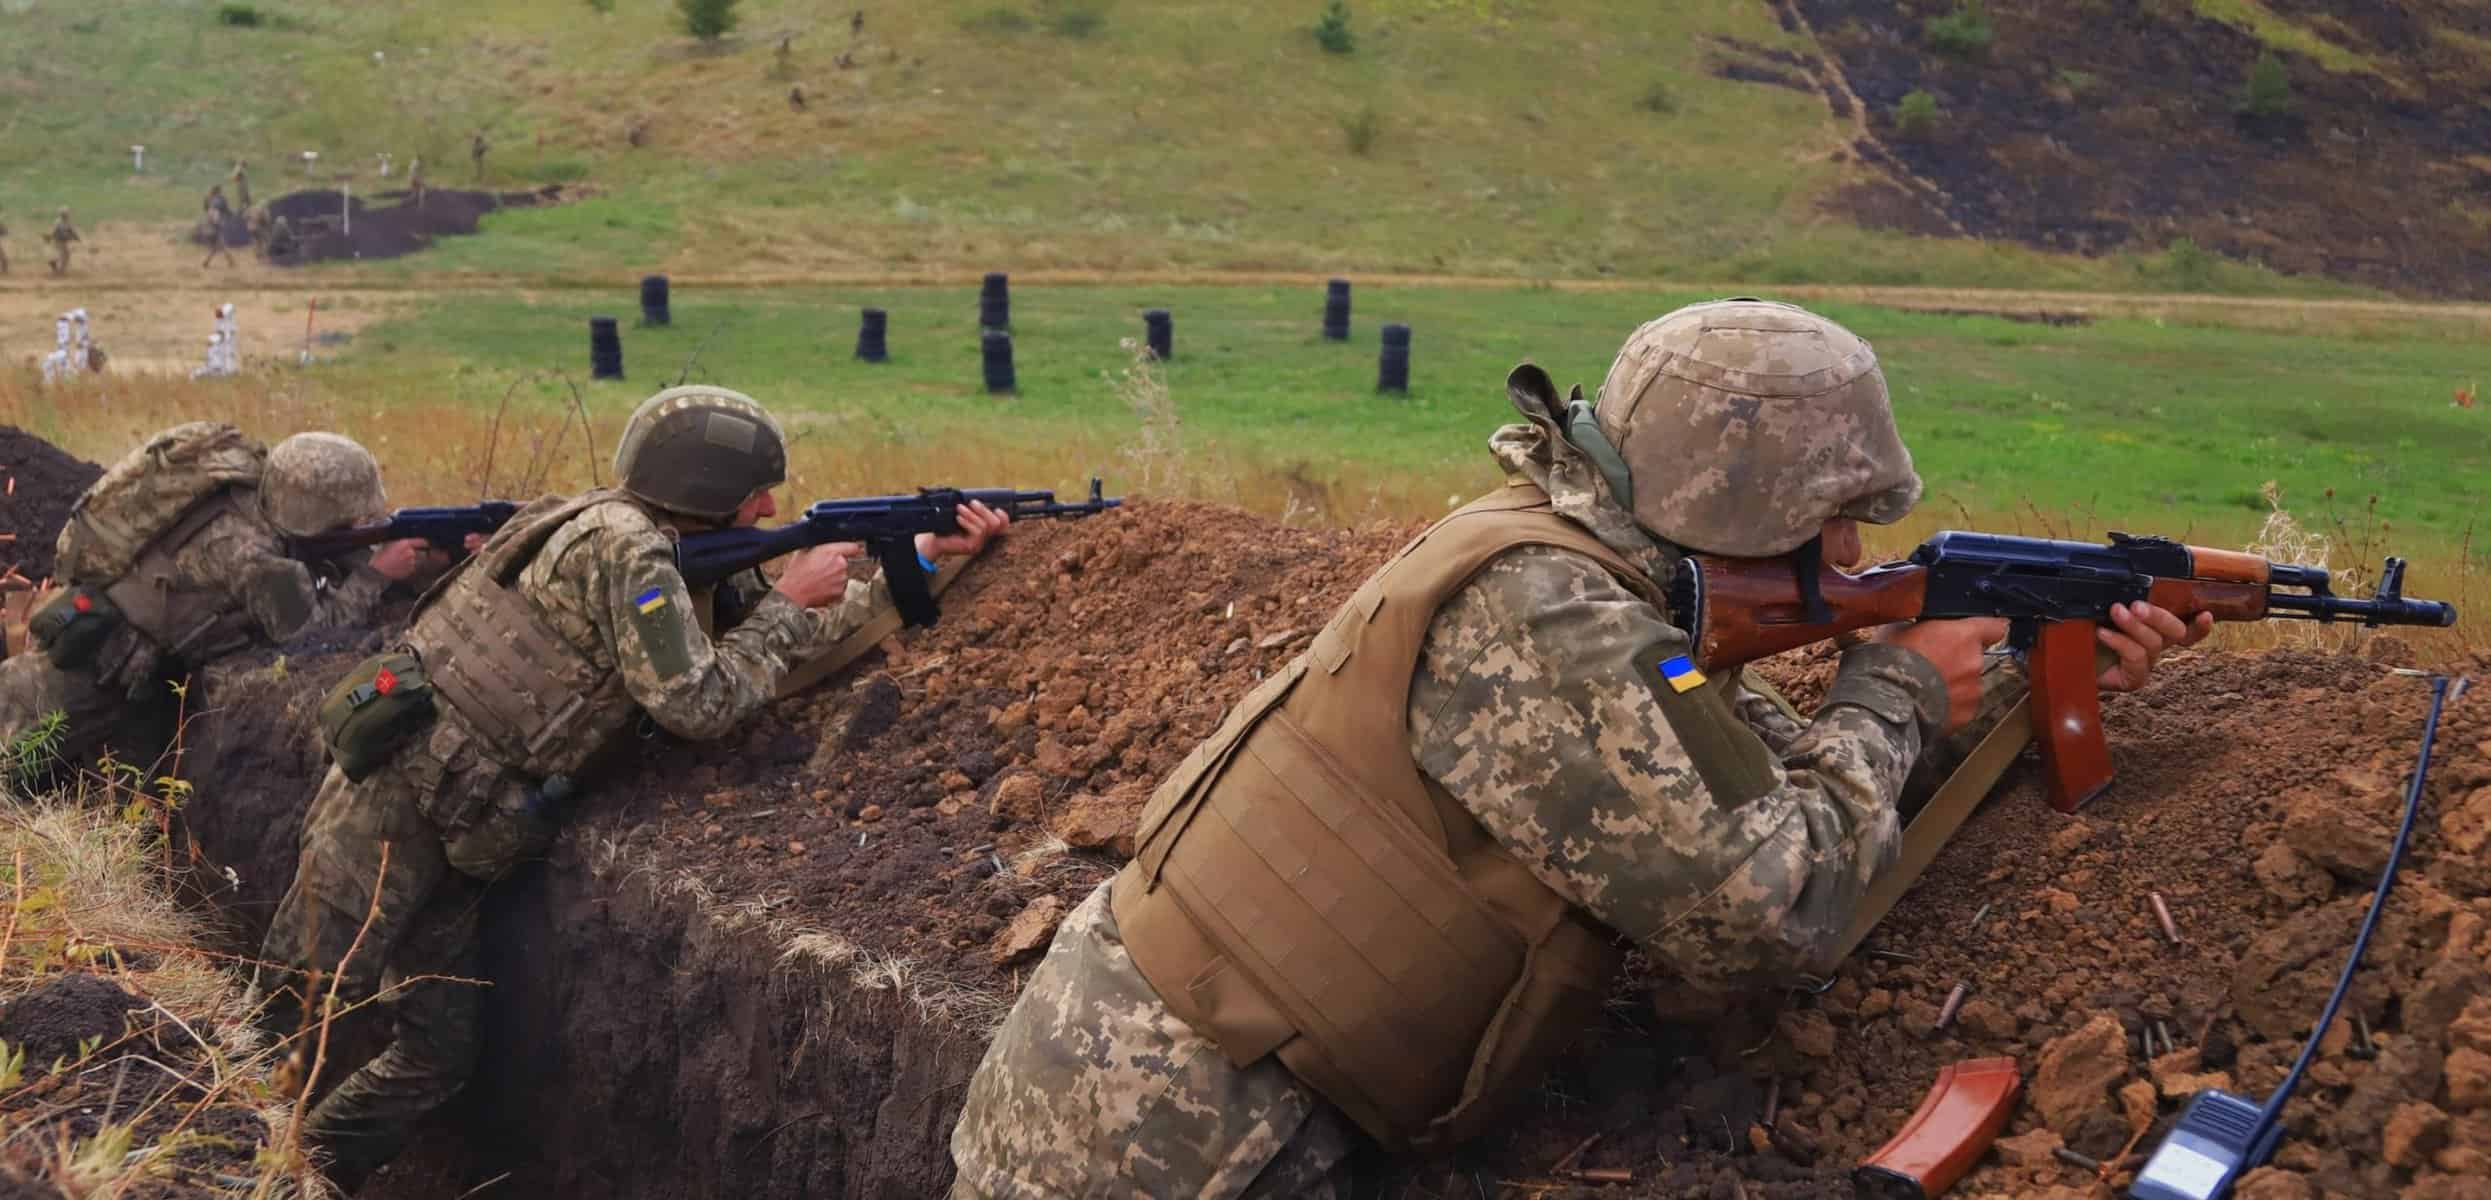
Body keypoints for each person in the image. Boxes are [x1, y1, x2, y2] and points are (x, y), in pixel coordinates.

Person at [946, 299, 2211, 1198]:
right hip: (1159, 1141)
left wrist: (2002, 691)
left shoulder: (1573, 563)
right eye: (1829, 522)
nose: (1842, 560)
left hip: (1182, 1094)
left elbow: (1750, 775)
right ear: (1741, 502)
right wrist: (1887, 689)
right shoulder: (1556, 620)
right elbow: (1772, 913)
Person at [253, 385, 1013, 1191]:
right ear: (707, 492)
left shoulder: (654, 537)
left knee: (436, 1058)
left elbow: (798, 639)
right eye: (756, 489)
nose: (769, 503)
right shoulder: (626, 549)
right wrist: (786, 599)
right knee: (294, 1007)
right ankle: (216, 1159)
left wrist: (921, 555)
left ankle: (299, 1175)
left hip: (463, 821)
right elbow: (697, 702)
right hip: (392, 802)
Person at [0, 426, 438, 777]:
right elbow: (314, 634)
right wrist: (376, 574)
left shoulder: (248, 494)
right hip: (92, 672)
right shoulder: (254, 558)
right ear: (316, 515)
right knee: (16, 753)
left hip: (126, 663)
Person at [202, 185, 236, 268]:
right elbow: (226, 211)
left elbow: (206, 209)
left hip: (209, 222)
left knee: (218, 244)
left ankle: (207, 261)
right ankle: (230, 261)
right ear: (219, 191)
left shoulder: (209, 198)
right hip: (215, 223)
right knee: (219, 243)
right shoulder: (221, 199)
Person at [46, 208, 79, 276]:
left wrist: (76, 237)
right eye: (66, 214)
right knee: (65, 255)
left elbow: (71, 231)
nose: (67, 215)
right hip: (59, 241)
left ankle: (56, 265)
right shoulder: (61, 222)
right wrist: (76, 237)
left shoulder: (63, 222)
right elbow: (54, 231)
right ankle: (59, 270)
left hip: (62, 241)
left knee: (64, 254)